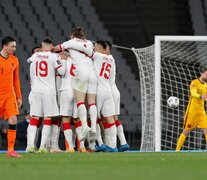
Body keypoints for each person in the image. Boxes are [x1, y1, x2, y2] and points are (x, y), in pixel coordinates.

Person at [27, 38, 67, 153]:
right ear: (51, 46)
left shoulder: (35, 56)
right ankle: (42, 147)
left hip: (36, 91)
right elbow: (62, 71)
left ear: (42, 46)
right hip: (48, 92)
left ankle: (30, 146)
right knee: (48, 119)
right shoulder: (54, 57)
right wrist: (63, 60)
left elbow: (28, 60)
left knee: (34, 118)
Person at [93, 40, 118, 152]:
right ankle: (113, 146)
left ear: (99, 47)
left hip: (98, 90)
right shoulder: (111, 59)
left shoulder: (97, 56)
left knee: (95, 118)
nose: (94, 48)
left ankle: (99, 144)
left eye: (95, 46)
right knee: (110, 119)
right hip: (108, 90)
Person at [0, 36, 23, 157]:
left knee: (13, 119)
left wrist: (19, 97)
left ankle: (10, 150)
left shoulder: (15, 60)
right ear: (4, 46)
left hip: (10, 95)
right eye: (12, 46)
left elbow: (16, 80)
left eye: (15, 46)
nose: (14, 48)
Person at [105, 40, 129, 152]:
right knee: (114, 119)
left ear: (108, 49)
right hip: (114, 90)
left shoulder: (104, 59)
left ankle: (111, 145)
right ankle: (123, 142)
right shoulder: (111, 59)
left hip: (108, 92)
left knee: (107, 119)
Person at [176, 68, 207, 151]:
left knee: (206, 130)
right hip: (192, 112)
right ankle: (177, 151)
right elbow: (193, 93)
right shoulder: (194, 82)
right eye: (206, 74)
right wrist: (201, 96)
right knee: (186, 131)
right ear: (201, 73)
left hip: (201, 112)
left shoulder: (206, 85)